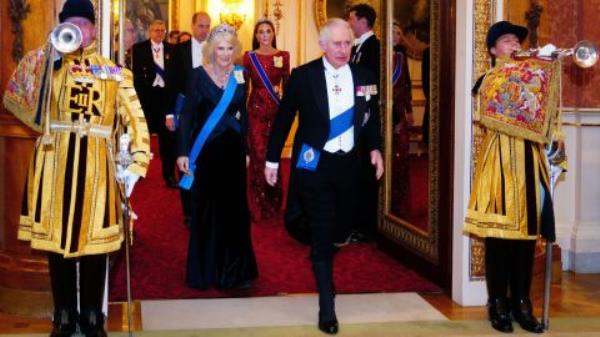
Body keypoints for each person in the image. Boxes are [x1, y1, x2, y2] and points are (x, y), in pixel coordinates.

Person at [2, 0, 151, 336]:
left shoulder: (114, 72)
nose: (78, 30)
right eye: (71, 23)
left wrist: (137, 162)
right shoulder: (46, 66)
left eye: (84, 23)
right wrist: (47, 58)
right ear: (60, 26)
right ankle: (64, 314)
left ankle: (93, 316)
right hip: (55, 164)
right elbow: (15, 98)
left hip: (97, 167)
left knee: (96, 245)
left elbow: (136, 118)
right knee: (59, 244)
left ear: (94, 29)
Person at [265, 18, 383, 334]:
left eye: (348, 43)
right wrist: (272, 160)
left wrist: (375, 148)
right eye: (337, 44)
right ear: (322, 45)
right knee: (322, 230)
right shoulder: (303, 77)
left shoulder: (365, 76)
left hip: (350, 167)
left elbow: (371, 118)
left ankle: (324, 256)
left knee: (341, 229)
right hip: (315, 165)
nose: (344, 49)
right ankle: (326, 307)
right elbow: (283, 120)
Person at [464, 21, 560, 334]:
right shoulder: (488, 79)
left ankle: (522, 303)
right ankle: (498, 303)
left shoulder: (535, 78)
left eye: (517, 41)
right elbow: (500, 109)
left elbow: (548, 122)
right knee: (499, 241)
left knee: (526, 240)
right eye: (506, 41)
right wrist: (538, 72)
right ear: (493, 49)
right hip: (500, 166)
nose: (514, 46)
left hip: (530, 164)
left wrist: (548, 72)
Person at [176, 25, 258, 290]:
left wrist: (246, 150)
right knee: (207, 210)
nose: (225, 54)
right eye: (220, 48)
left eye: (230, 48)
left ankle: (235, 271)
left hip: (233, 152)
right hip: (207, 152)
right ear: (211, 50)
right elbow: (187, 115)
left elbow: (243, 115)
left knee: (235, 210)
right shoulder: (198, 76)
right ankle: (207, 270)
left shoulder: (241, 74)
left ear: (236, 50)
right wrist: (182, 151)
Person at [243, 19, 290, 223]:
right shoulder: (249, 57)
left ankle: (273, 200)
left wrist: (288, 107)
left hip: (276, 112)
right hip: (254, 111)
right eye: (260, 31)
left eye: (268, 31)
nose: (264, 35)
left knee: (273, 154)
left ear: (273, 33)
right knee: (258, 153)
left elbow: (288, 85)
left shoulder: (283, 56)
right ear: (255, 35)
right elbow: (244, 88)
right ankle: (256, 204)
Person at [170, 11, 211, 227]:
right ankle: (188, 211)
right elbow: (172, 83)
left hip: (208, 114)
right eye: (201, 26)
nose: (205, 30)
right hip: (185, 111)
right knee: (185, 156)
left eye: (207, 26)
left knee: (205, 159)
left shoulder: (215, 51)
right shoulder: (179, 51)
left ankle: (204, 205)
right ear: (193, 26)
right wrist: (169, 113)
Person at [347, 3, 380, 242]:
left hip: (365, 116)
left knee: (366, 175)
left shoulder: (373, 47)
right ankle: (355, 220)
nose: (349, 24)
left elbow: (371, 85)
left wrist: (362, 109)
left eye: (351, 19)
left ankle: (366, 226)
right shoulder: (358, 46)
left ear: (362, 21)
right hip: (353, 116)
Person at [132, 20, 178, 188]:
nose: (159, 33)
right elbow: (136, 76)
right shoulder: (139, 49)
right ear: (149, 31)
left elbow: (174, 76)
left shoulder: (173, 50)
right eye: (156, 30)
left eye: (162, 30)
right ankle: (138, 171)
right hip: (147, 98)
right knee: (142, 138)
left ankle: (169, 175)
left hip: (165, 99)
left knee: (168, 141)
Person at [390, 20, 413, 218]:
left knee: (400, 154)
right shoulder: (378, 54)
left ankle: (399, 200)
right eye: (393, 32)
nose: (396, 36)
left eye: (398, 33)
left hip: (399, 112)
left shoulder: (401, 57)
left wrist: (409, 109)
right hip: (384, 112)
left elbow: (406, 84)